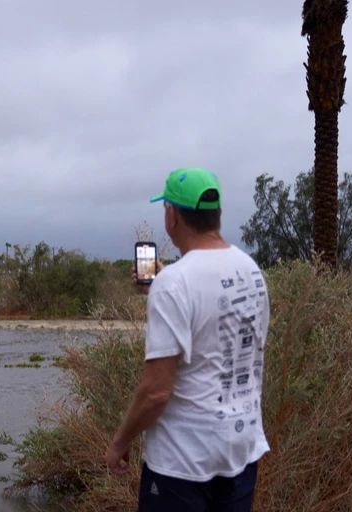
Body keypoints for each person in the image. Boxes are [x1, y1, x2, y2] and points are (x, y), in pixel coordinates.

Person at [104, 168, 270, 511]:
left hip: (182, 464)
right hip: (240, 449)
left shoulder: (175, 284)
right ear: (217, 214)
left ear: (172, 215)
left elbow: (156, 392)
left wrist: (120, 442)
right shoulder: (251, 271)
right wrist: (169, 280)